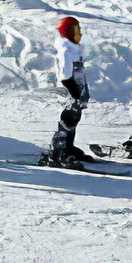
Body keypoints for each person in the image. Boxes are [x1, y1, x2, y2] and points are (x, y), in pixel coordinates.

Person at [48, 16, 89, 168]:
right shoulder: (66, 49)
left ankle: (69, 147)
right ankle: (60, 150)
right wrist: (75, 93)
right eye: (75, 30)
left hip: (78, 91)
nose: (78, 33)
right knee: (69, 118)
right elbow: (64, 75)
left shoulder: (73, 48)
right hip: (72, 92)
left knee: (75, 117)